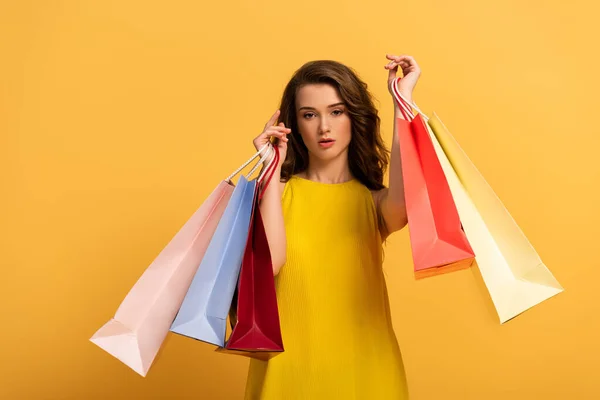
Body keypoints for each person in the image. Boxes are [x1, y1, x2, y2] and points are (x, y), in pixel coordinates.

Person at [245, 54, 421, 399]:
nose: (324, 126)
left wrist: (403, 100)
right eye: (309, 115)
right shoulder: (274, 193)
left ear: (354, 118)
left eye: (336, 112)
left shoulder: (373, 203)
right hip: (288, 373)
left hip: (368, 374)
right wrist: (269, 171)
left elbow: (406, 200)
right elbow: (271, 263)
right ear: (293, 125)